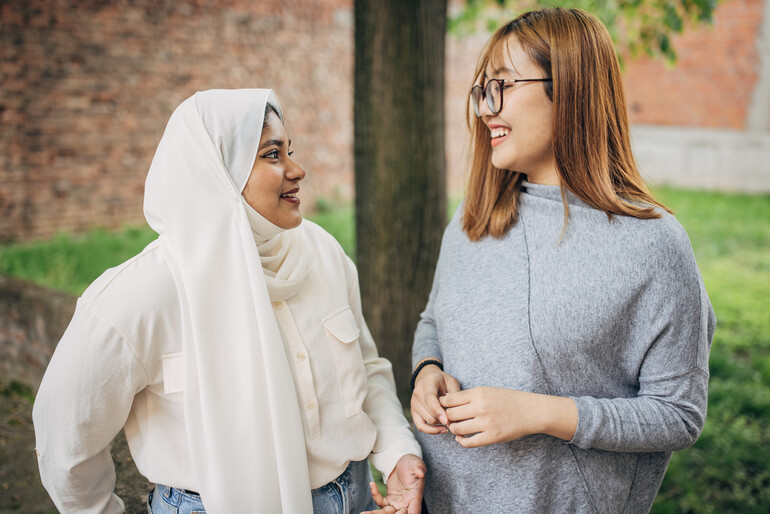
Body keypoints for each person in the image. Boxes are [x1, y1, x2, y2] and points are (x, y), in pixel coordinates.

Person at [33, 88, 425, 513]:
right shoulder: (146, 293)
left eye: (289, 151)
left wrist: (398, 452)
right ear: (217, 170)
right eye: (272, 154)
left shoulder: (323, 253)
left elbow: (367, 370)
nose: (298, 169)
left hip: (355, 495)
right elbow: (64, 440)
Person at [410, 8, 715, 513]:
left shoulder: (654, 245)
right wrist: (427, 370)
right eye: (482, 90)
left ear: (570, 89)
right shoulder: (473, 218)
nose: (486, 108)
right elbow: (432, 321)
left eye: (502, 85)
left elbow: (677, 414)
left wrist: (539, 413)